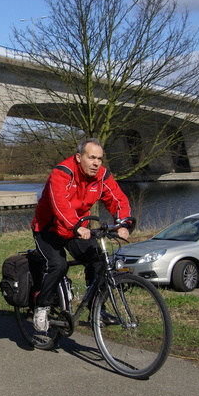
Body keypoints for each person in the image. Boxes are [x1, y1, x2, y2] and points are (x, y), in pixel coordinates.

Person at [31, 138, 132, 332]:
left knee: (98, 260)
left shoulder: (101, 176)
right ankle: (42, 307)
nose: (96, 163)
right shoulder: (62, 173)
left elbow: (117, 199)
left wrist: (123, 223)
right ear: (79, 157)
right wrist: (76, 225)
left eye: (100, 159)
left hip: (77, 228)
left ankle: (97, 309)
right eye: (91, 157)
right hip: (48, 227)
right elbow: (59, 203)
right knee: (57, 265)